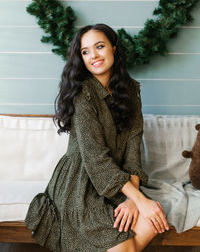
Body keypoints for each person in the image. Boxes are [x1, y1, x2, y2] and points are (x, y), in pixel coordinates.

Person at [24, 23, 169, 252]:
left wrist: (133, 200)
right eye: (85, 51)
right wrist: (140, 200)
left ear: (113, 47)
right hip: (79, 183)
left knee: (151, 224)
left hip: (118, 181)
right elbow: (97, 161)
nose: (94, 56)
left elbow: (133, 149)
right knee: (124, 247)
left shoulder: (131, 90)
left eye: (99, 46)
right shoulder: (83, 94)